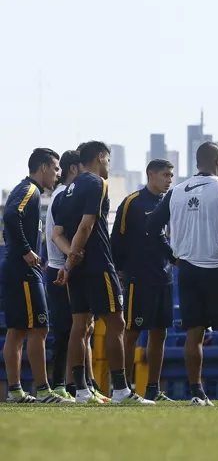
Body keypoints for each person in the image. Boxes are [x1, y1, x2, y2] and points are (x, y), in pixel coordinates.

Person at [146, 142, 218, 406]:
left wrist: (172, 256)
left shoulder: (176, 191)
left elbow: (152, 225)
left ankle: (197, 394)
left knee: (194, 334)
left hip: (187, 270)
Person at [53, 142, 153, 405]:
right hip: (98, 266)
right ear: (99, 157)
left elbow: (56, 234)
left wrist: (69, 260)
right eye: (107, 160)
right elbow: (86, 227)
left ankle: (82, 391)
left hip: (77, 271)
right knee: (117, 324)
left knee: (80, 326)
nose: (108, 164)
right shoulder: (97, 184)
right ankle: (120, 390)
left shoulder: (64, 194)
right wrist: (70, 262)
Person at [1, 148, 69, 404]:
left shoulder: (27, 191)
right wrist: (27, 251)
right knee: (39, 328)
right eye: (55, 168)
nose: (57, 174)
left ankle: (16, 391)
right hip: (23, 272)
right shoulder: (29, 190)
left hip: (14, 269)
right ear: (43, 168)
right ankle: (43, 390)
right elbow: (10, 216)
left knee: (17, 331)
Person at [110, 159, 176, 402]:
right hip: (139, 278)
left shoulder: (170, 202)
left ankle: (153, 389)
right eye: (165, 175)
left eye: (171, 175)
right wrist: (119, 270)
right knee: (132, 332)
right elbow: (117, 238)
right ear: (151, 174)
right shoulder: (132, 202)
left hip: (165, 277)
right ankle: (123, 388)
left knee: (160, 333)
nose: (169, 180)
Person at [45, 150, 107, 403]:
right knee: (67, 329)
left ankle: (85, 385)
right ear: (76, 169)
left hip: (69, 265)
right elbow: (60, 233)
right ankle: (63, 384)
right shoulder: (64, 195)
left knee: (84, 328)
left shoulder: (68, 194)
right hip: (63, 267)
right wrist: (71, 257)